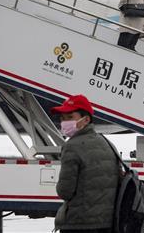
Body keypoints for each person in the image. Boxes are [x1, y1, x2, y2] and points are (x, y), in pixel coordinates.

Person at [51, 94, 120, 233]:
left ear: (86, 119)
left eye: (70, 117)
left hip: (79, 223)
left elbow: (65, 191)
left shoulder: (72, 146)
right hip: (106, 223)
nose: (64, 122)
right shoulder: (107, 143)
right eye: (62, 118)